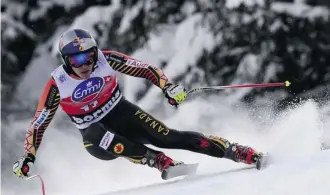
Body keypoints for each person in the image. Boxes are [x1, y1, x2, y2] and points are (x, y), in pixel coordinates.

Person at [13, 29, 262, 178]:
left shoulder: (105, 60)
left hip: (122, 113)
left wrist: (168, 87)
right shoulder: (58, 83)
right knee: (96, 131)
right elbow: (39, 124)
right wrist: (28, 158)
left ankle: (235, 151)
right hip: (96, 139)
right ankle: (156, 160)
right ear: (66, 61)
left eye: (88, 56)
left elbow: (145, 69)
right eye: (77, 60)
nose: (85, 64)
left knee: (169, 136)